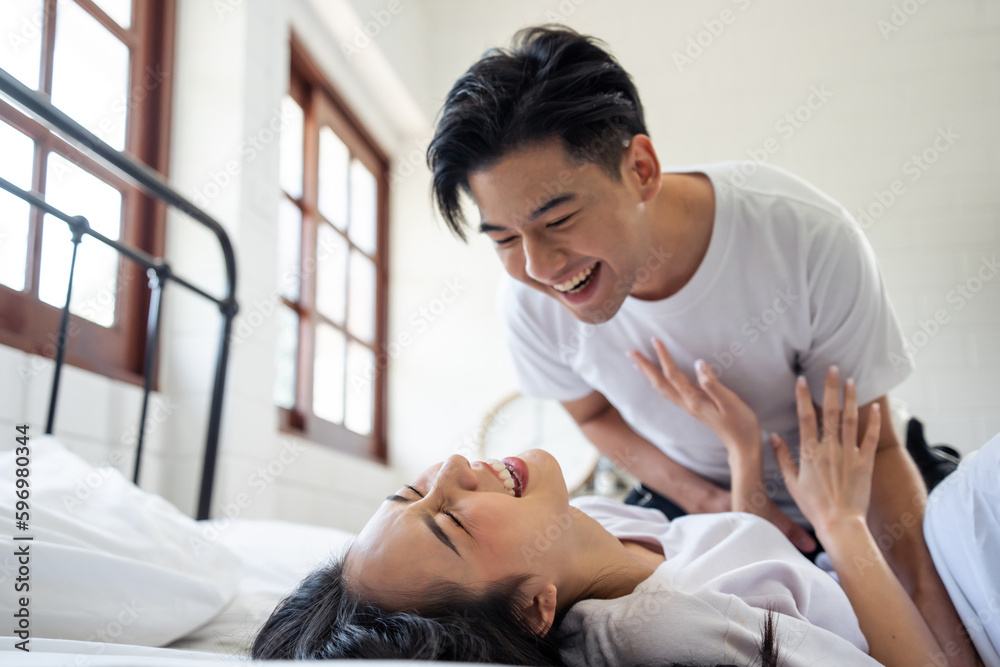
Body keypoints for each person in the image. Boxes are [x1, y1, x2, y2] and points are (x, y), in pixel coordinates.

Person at [423, 23, 978, 664]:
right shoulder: (527, 302)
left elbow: (874, 445)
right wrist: (712, 500)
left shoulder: (803, 238)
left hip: (847, 461)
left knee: (961, 589)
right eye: (504, 239)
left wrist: (946, 634)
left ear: (641, 169)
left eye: (559, 221)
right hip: (690, 485)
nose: (540, 266)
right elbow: (593, 415)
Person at [251, 367, 995, 665]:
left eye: (410, 493)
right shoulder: (660, 630)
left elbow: (759, 571)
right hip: (953, 604)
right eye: (449, 520)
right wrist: (842, 524)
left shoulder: (585, 523)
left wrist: (739, 452)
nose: (447, 470)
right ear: (533, 606)